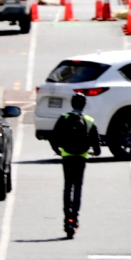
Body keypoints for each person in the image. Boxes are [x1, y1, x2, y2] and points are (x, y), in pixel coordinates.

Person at [49, 93, 101, 237]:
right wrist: (95, 152)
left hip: (67, 156)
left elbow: (53, 137)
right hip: (81, 157)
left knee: (67, 186)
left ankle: (67, 218)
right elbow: (96, 142)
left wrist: (57, 150)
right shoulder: (89, 121)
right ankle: (75, 218)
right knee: (77, 186)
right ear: (83, 105)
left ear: (72, 104)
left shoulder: (64, 118)